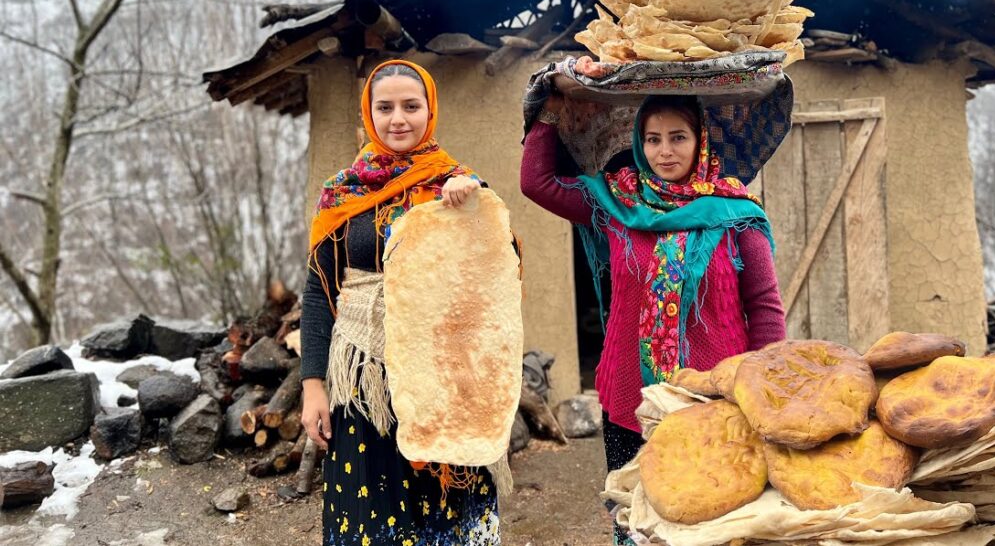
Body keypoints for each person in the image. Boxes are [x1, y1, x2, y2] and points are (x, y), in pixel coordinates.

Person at [520, 55, 788, 544]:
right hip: (630, 400)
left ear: (700, 140)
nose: (665, 152)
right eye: (653, 139)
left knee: (713, 524)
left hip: (715, 401)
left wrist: (763, 391)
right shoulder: (618, 203)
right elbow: (536, 184)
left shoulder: (735, 213)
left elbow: (766, 310)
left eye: (678, 138)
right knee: (635, 523)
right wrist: (552, 100)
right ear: (639, 143)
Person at [300, 59, 500, 546]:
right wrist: (312, 386)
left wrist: (473, 208)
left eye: (411, 106)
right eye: (384, 107)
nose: (398, 119)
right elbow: (318, 290)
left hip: (444, 377)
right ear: (368, 115)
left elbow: (500, 271)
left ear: (430, 111)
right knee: (371, 512)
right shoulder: (342, 194)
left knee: (446, 508)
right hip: (364, 377)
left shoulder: (459, 184)